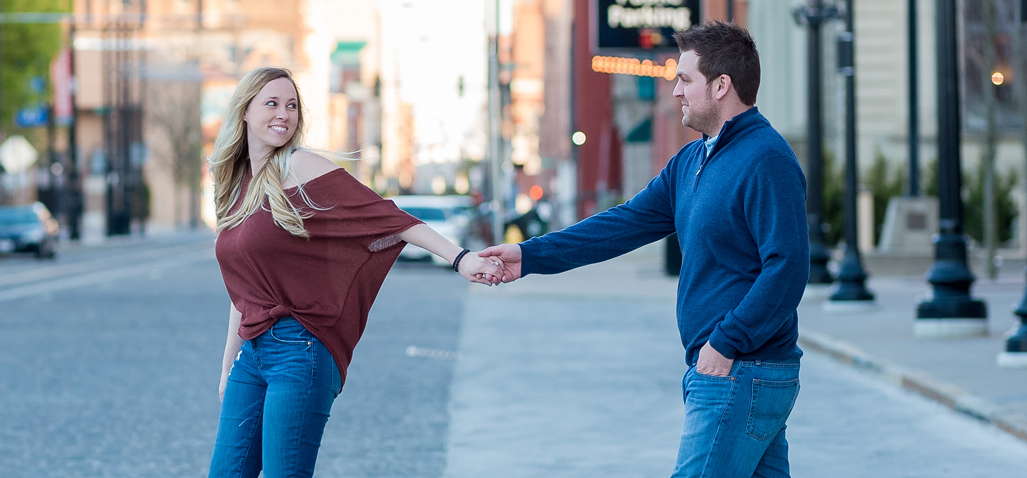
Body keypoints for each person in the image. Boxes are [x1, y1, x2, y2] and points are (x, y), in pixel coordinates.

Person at [480, 21, 809, 478]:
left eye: (684, 79)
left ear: (721, 86)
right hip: (729, 371)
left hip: (740, 370)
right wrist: (531, 256)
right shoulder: (693, 160)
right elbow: (623, 224)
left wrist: (725, 342)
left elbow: (788, 267)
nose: (675, 92)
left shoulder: (766, 159)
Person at [206, 66, 503, 478]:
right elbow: (244, 292)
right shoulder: (236, 185)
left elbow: (389, 217)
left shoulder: (301, 166)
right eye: (271, 103)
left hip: (300, 350)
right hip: (251, 357)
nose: (283, 114)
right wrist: (227, 367)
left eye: (291, 105)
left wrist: (461, 258)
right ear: (244, 111)